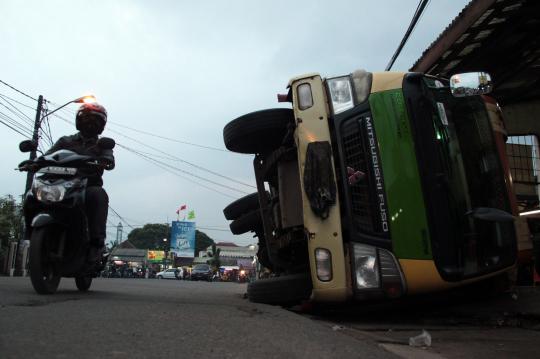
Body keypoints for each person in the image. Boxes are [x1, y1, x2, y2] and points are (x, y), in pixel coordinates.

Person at [44, 102, 114, 263]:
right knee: (32, 195)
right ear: (78, 120)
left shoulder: (102, 145)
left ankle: (97, 243)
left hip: (86, 186)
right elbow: (47, 156)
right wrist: (34, 162)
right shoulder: (65, 141)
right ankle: (31, 233)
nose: (91, 123)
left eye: (96, 120)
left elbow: (109, 159)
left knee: (98, 195)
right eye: (87, 118)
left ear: (102, 125)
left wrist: (106, 161)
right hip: (59, 184)